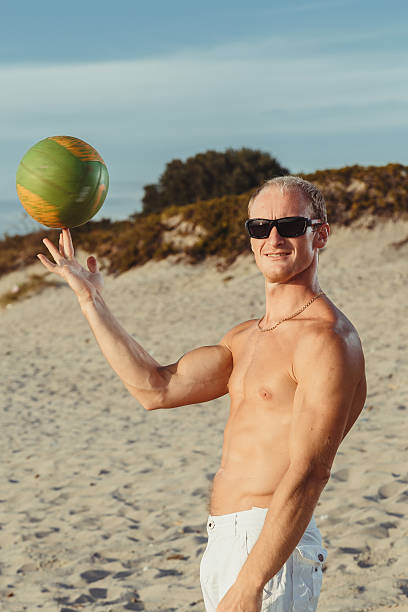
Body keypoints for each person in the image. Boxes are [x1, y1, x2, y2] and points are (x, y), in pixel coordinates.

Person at [38, 175, 366, 612]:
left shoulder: (326, 339)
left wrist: (251, 582)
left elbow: (310, 473)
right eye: (259, 227)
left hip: (271, 551)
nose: (273, 238)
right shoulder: (245, 337)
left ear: (319, 233)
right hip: (224, 541)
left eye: (289, 225)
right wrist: (90, 300)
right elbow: (154, 388)